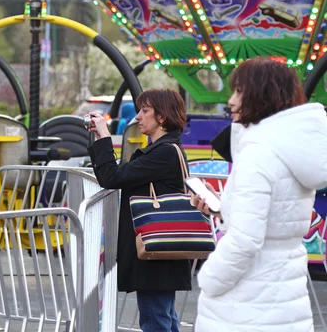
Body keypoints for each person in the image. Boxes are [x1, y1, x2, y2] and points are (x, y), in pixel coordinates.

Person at [192, 58, 327, 332]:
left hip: (245, 304)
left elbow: (245, 241)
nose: (230, 101)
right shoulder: (289, 149)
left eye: (239, 91)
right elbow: (276, 216)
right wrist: (222, 210)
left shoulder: (258, 153)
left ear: (260, 94)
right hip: (283, 295)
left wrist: (209, 278)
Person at [86, 88, 191, 332]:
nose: (138, 117)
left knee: (156, 320)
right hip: (162, 246)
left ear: (162, 117)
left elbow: (111, 177)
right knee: (164, 316)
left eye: (145, 111)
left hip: (156, 248)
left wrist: (103, 136)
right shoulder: (166, 149)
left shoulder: (163, 152)